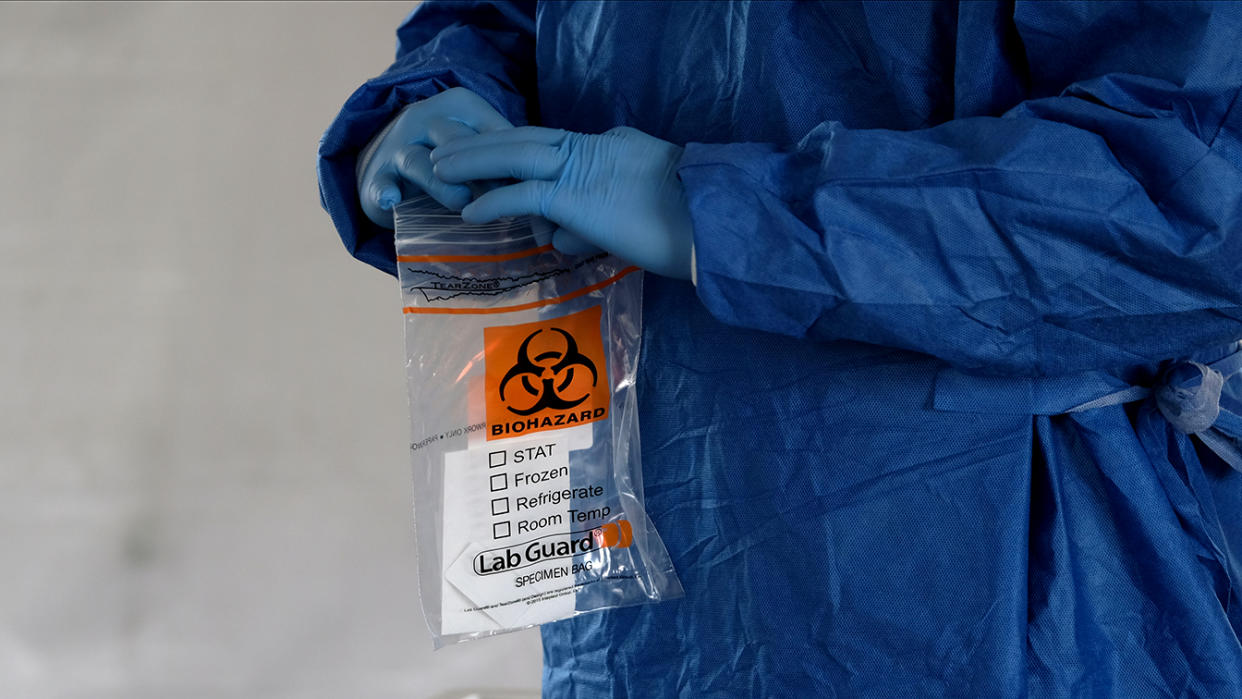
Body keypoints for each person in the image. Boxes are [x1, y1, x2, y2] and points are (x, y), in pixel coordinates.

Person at [318, 2, 1242, 696]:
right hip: (641, 555)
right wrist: (439, 98)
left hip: (987, 561)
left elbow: (1181, 191)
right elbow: (511, 17)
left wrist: (730, 212)